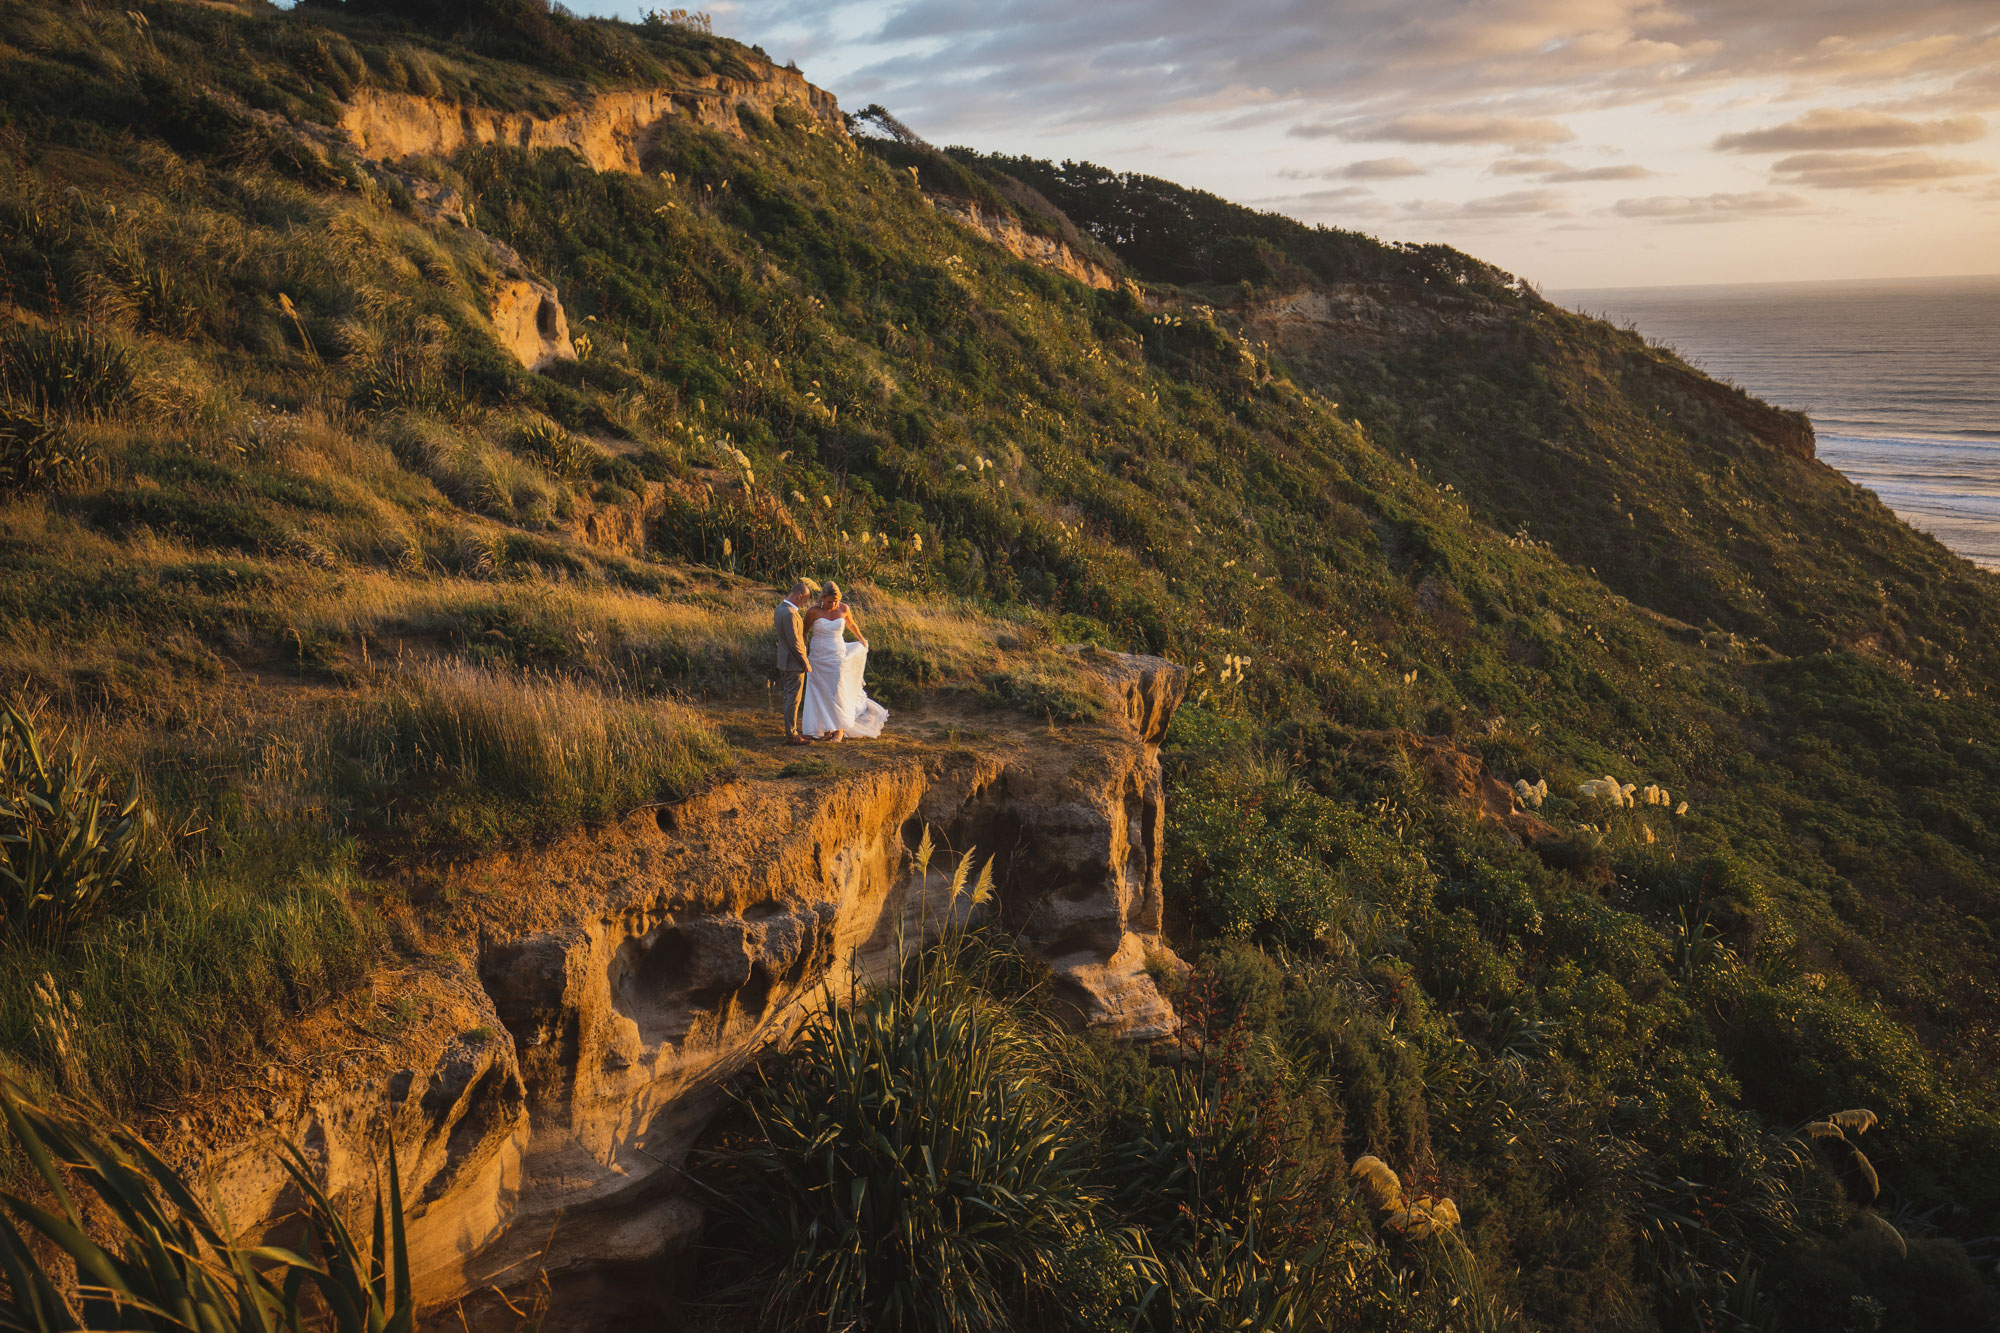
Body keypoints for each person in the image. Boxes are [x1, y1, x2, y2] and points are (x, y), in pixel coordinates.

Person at [799, 580, 888, 741]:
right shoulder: (813, 611)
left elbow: (852, 625)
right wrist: (804, 652)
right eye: (829, 602)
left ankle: (839, 729)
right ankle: (826, 729)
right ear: (822, 598)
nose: (833, 605)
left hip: (836, 656)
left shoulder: (844, 608)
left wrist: (862, 640)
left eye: (836, 601)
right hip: (818, 656)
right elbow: (804, 632)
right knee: (819, 692)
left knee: (836, 691)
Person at [774, 578, 819, 745]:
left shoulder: (779, 609)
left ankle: (791, 731)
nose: (804, 604)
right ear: (799, 596)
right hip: (793, 663)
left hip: (784, 660)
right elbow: (795, 643)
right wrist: (805, 661)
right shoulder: (791, 614)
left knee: (789, 696)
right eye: (805, 600)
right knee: (793, 698)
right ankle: (791, 734)